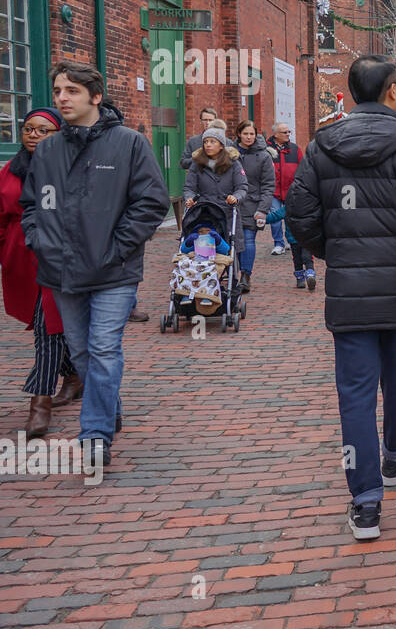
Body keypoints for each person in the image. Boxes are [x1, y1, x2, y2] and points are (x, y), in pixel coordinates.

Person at [286, 55, 396, 541]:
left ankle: (364, 503)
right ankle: (395, 455)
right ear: (393, 92)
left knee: (355, 396)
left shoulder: (321, 149)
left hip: (349, 292)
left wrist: (334, 250)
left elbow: (300, 217)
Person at [20, 62, 170, 467]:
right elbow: (32, 203)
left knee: (104, 348)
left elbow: (151, 202)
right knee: (82, 351)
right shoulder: (48, 148)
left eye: (71, 91)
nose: (62, 98)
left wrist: (118, 246)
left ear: (95, 97)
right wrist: (39, 241)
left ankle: (95, 435)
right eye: (57, 91)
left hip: (112, 271)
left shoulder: (128, 143)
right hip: (60, 270)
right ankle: (108, 405)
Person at [1, 108, 80, 437]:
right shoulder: (10, 169)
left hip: (57, 256)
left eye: (43, 130)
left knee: (47, 329)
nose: (33, 134)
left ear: (59, 134)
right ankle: (75, 375)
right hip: (19, 256)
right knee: (44, 323)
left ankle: (39, 404)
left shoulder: (68, 167)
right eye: (28, 128)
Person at [183, 127, 248, 261]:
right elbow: (189, 187)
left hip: (226, 211)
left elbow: (242, 187)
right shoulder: (196, 163)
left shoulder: (233, 163)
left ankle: (231, 276)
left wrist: (235, 197)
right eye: (206, 141)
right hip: (203, 211)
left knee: (228, 244)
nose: (208, 145)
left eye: (212, 141)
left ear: (221, 145)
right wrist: (189, 198)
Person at [233, 120, 274, 294]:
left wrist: (263, 209)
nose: (249, 137)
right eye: (245, 134)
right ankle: (231, 275)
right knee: (233, 241)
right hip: (232, 204)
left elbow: (268, 184)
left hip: (253, 205)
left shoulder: (263, 156)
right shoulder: (230, 154)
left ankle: (245, 276)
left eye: (252, 134)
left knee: (248, 240)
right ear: (239, 134)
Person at [267, 121, 301, 255]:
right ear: (275, 134)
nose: (288, 134)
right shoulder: (266, 149)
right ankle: (278, 243)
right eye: (284, 132)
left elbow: (302, 167)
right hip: (273, 191)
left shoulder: (294, 149)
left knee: (290, 217)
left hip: (291, 190)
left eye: (288, 132)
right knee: (274, 216)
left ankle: (290, 241)